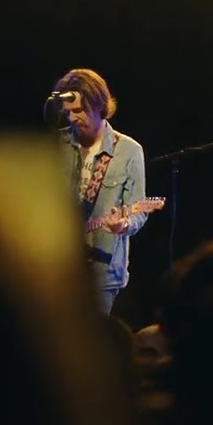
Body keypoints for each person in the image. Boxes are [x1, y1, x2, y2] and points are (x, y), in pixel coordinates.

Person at [55, 68, 150, 313]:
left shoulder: (128, 150)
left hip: (101, 270)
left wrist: (123, 224)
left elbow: (139, 210)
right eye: (68, 113)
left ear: (99, 105)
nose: (73, 118)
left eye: (79, 111)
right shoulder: (56, 144)